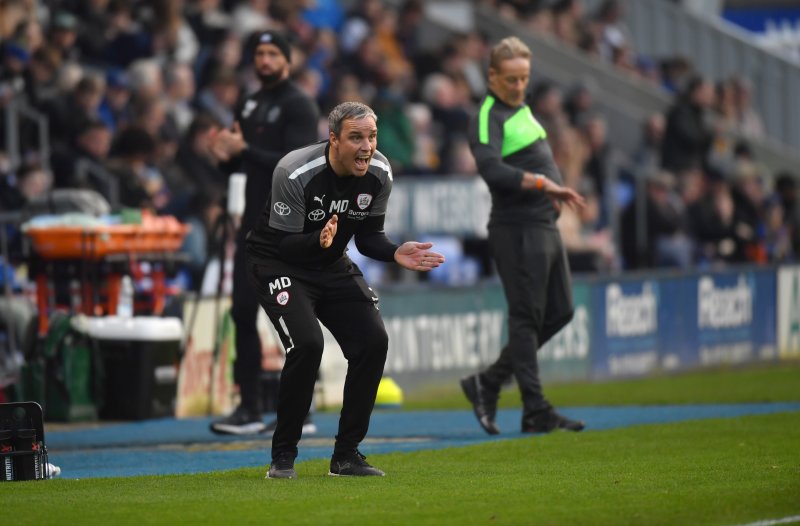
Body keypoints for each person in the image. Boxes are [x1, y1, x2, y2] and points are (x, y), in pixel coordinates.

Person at [247, 101, 445, 478]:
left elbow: (369, 237)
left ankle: (346, 455)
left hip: (330, 261)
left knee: (373, 340)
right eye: (356, 137)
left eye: (371, 136)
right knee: (307, 344)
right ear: (333, 139)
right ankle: (283, 456)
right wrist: (318, 243)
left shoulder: (381, 172)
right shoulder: (294, 171)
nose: (367, 146)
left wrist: (394, 251)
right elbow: (284, 245)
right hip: (278, 261)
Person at [461, 36, 586, 436]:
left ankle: (490, 381)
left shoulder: (520, 107)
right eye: (511, 79)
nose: (519, 87)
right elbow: (491, 170)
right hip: (517, 229)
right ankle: (535, 409)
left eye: (524, 79)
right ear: (492, 76)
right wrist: (542, 184)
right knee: (526, 318)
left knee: (561, 311)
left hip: (543, 226)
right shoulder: (486, 115)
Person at [208, 30, 320, 436]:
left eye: (273, 53)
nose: (265, 60)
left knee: (291, 316)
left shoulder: (299, 104)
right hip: (253, 224)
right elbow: (241, 165)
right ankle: (249, 407)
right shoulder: (249, 101)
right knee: (241, 310)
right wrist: (223, 157)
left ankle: (301, 409)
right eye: (259, 53)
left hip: (288, 225)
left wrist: (243, 152)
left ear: (287, 61)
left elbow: (296, 164)